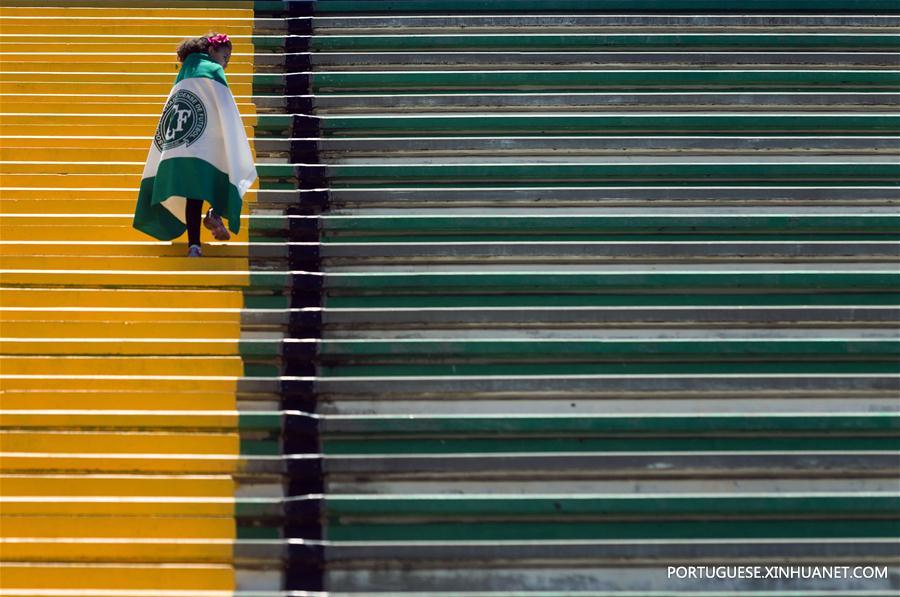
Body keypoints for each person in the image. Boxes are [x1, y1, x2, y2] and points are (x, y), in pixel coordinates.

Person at [133, 32, 256, 257]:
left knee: (193, 195)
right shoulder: (214, 71)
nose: (226, 62)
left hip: (183, 144)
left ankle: (194, 245)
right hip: (207, 140)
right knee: (228, 167)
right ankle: (214, 213)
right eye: (225, 56)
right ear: (211, 51)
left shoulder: (185, 72)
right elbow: (225, 108)